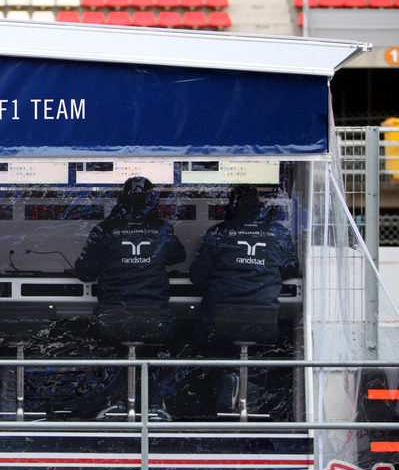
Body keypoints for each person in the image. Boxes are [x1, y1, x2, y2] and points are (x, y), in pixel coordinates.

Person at [74, 176, 186, 420]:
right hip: (155, 318)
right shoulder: (162, 228)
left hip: (113, 317)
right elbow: (178, 256)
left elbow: (84, 273)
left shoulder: (105, 229)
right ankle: (155, 404)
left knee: (112, 350)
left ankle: (115, 402)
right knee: (167, 347)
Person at [189, 185, 300, 415]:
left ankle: (225, 388)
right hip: (263, 320)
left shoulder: (219, 233)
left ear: (231, 206)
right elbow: (290, 267)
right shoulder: (278, 233)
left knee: (206, 344)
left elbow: (198, 276)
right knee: (261, 352)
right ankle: (252, 398)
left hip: (219, 319)